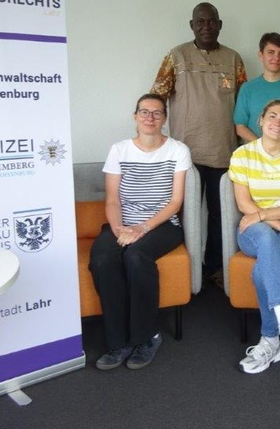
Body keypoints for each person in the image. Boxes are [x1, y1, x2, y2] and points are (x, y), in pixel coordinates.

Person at [89, 94, 192, 371]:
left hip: (162, 225)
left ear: (164, 119)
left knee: (136, 257)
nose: (150, 118)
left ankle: (147, 336)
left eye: (157, 113)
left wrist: (142, 228)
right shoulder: (119, 150)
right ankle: (118, 341)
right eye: (144, 112)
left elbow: (175, 202)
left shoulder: (178, 150)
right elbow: (112, 200)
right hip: (122, 222)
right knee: (102, 258)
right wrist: (120, 230)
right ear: (135, 116)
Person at [150, 2, 246, 283]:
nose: (206, 26)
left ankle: (215, 268)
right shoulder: (176, 56)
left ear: (220, 24)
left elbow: (244, 103)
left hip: (224, 152)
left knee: (222, 216)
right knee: (182, 215)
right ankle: (185, 271)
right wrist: (156, 138)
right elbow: (157, 95)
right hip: (184, 154)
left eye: (211, 21)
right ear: (192, 25)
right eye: (200, 22)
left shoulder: (234, 59)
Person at [228, 99, 280, 374]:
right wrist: (277, 224)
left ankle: (270, 338)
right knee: (264, 238)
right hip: (254, 229)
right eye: (272, 116)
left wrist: (268, 218)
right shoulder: (242, 155)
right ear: (261, 120)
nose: (278, 122)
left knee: (261, 271)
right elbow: (244, 204)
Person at [234, 32, 280, 144]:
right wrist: (263, 150)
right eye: (271, 52)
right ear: (261, 55)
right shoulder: (248, 88)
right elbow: (240, 127)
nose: (276, 58)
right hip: (255, 155)